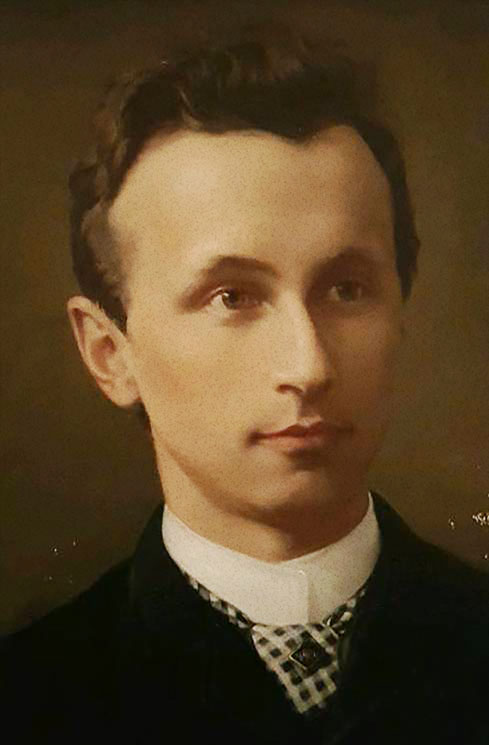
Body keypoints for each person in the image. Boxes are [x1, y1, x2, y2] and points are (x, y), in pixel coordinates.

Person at [2, 28, 488, 745]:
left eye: (346, 289)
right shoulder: (28, 697)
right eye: (231, 296)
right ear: (110, 354)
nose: (309, 365)